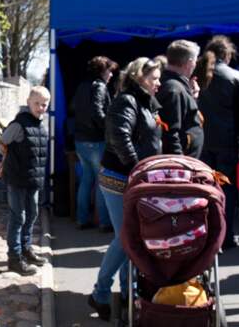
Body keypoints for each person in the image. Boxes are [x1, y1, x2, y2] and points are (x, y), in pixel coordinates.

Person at [87, 57, 162, 321]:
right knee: (126, 239)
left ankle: (126, 293)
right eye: (154, 78)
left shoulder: (144, 102)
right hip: (120, 178)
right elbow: (119, 136)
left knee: (131, 239)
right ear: (140, 77)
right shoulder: (127, 100)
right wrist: (137, 170)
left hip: (133, 178)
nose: (158, 82)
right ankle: (100, 294)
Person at [196, 35, 239, 249]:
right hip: (227, 141)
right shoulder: (237, 76)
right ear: (227, 55)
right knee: (225, 191)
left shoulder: (198, 74)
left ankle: (207, 235)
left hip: (201, 142)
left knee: (203, 189)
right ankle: (226, 235)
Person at [0, 86, 51, 275]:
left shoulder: (41, 124)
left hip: (33, 180)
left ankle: (26, 249)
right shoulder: (18, 124)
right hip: (17, 178)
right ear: (28, 101)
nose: (40, 107)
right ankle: (14, 257)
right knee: (18, 217)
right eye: (37, 103)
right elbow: (2, 143)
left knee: (32, 214)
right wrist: (10, 161)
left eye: (44, 104)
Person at [73, 56, 118, 231]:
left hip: (80, 140)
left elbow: (74, 108)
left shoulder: (82, 86)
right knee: (101, 181)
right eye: (109, 70)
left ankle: (82, 219)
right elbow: (97, 111)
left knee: (86, 179)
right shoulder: (99, 86)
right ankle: (104, 222)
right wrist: (109, 128)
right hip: (95, 140)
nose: (111, 74)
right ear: (102, 71)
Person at [156, 40, 204, 158]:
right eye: (195, 61)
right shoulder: (174, 89)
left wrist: (191, 97)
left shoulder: (174, 85)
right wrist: (179, 162)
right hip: (181, 163)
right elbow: (170, 132)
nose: (195, 65)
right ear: (189, 62)